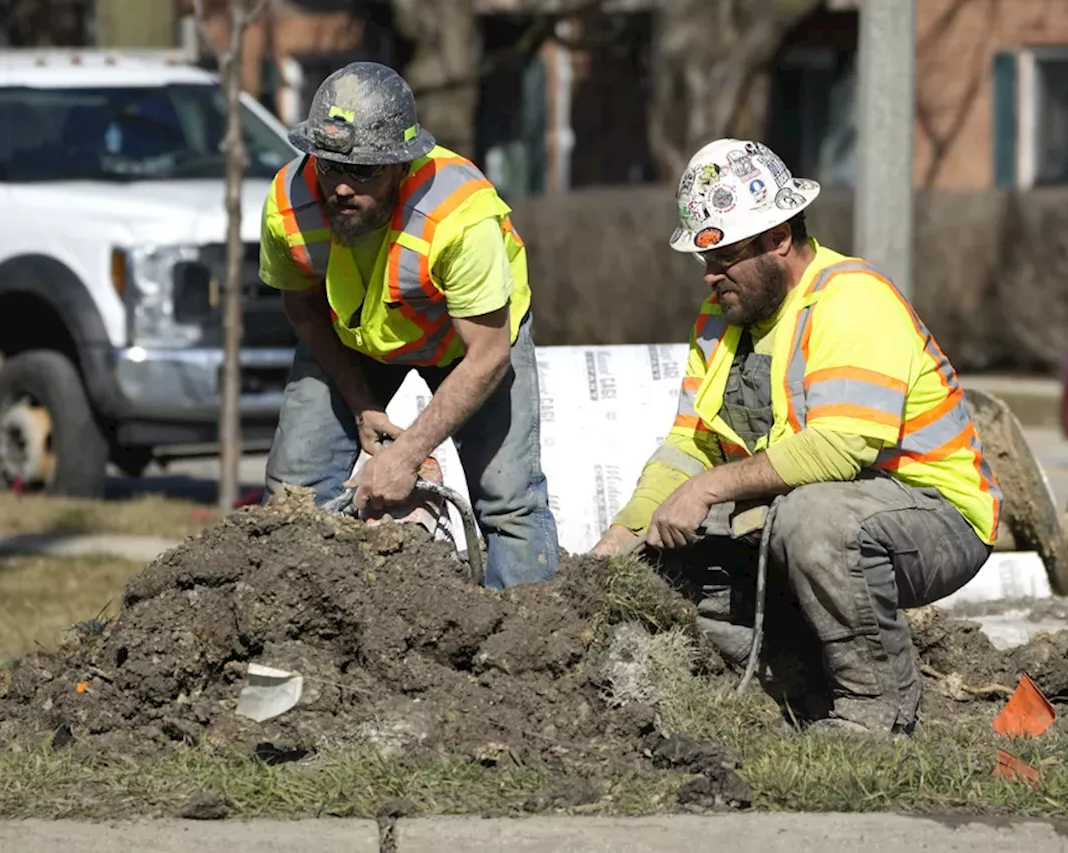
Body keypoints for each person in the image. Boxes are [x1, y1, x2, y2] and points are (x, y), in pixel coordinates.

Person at [591, 138, 1003, 736]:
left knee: (815, 522)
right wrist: (625, 533)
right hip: (806, 512)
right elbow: (690, 445)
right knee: (664, 562)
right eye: (704, 260)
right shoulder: (720, 321)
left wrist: (709, 489)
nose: (710, 276)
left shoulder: (852, 300)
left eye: (724, 256)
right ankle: (794, 681)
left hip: (935, 518)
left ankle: (876, 713)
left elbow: (839, 447)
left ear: (778, 238)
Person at [258, 61, 561, 591]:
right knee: (293, 494)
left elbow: (487, 357)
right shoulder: (287, 203)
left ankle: (528, 655)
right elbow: (303, 308)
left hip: (467, 351)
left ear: (403, 164)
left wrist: (407, 452)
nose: (341, 188)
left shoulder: (460, 218)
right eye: (329, 166)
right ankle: (287, 642)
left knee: (509, 504)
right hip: (352, 340)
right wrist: (360, 403)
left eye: (364, 171)